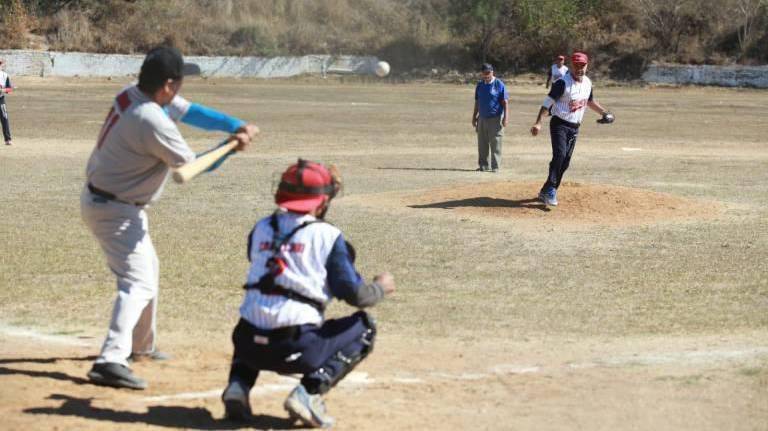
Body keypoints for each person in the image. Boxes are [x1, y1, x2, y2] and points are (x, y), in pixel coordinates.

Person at [81, 46, 259, 390]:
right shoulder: (150, 120)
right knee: (137, 282)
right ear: (166, 85)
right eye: (178, 82)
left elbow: (193, 112)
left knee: (149, 269)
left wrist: (235, 125)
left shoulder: (134, 93)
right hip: (114, 209)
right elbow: (189, 168)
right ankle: (110, 360)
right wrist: (231, 147)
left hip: (113, 202)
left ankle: (140, 345)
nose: (180, 88)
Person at [221, 159, 396, 428]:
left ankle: (238, 385)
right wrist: (380, 288)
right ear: (321, 200)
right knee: (365, 327)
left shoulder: (262, 227)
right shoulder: (327, 235)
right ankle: (309, 392)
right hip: (295, 348)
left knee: (255, 318)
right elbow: (357, 296)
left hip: (246, 345)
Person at [530, 52, 614, 206]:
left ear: (587, 66)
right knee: (560, 155)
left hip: (574, 127)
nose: (579, 68)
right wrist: (538, 122)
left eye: (582, 65)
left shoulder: (587, 82)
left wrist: (604, 113)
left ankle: (546, 190)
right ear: (571, 65)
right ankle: (551, 191)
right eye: (576, 65)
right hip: (559, 124)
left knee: (565, 162)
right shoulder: (562, 83)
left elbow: (590, 101)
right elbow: (547, 103)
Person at [472, 63, 508, 173]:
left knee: (496, 143)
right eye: (484, 73)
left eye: (488, 73)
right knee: (482, 143)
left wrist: (505, 118)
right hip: (482, 118)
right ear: (482, 74)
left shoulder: (499, 84)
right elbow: (477, 102)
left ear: (492, 72)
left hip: (495, 118)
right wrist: (474, 116)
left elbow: (505, 102)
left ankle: (495, 166)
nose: (487, 75)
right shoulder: (480, 85)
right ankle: (483, 165)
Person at [0, 58, 14, 145]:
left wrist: (3, 90)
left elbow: (9, 89)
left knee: (4, 118)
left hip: (1, 100)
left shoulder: (4, 75)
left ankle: (7, 139)